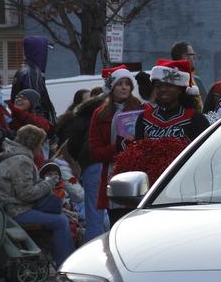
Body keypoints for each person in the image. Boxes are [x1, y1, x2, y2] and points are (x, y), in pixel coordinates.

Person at [0, 124, 74, 267]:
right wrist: (49, 182)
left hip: (11, 208)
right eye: (41, 144)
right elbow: (26, 194)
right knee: (61, 221)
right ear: (34, 144)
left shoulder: (12, 158)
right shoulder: (22, 161)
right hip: (16, 211)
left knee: (62, 217)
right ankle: (66, 265)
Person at [89, 66, 142, 229]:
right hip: (112, 174)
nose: (124, 87)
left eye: (127, 84)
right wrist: (117, 148)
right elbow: (95, 151)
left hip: (137, 173)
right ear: (112, 88)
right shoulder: (100, 113)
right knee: (117, 225)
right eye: (120, 84)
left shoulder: (141, 109)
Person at [63, 89, 107, 241]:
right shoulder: (113, 111)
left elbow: (72, 145)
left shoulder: (81, 115)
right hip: (107, 163)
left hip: (91, 164)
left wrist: (81, 161)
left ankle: (94, 253)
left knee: (94, 213)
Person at [135, 60, 209, 141]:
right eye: (158, 86)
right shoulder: (144, 118)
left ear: (180, 89)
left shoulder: (195, 119)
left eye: (169, 85)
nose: (163, 89)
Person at [10, 35, 56, 126]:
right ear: (39, 52)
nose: (46, 55)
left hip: (24, 124)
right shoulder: (32, 73)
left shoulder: (24, 71)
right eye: (45, 51)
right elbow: (35, 103)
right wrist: (43, 125)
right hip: (34, 128)